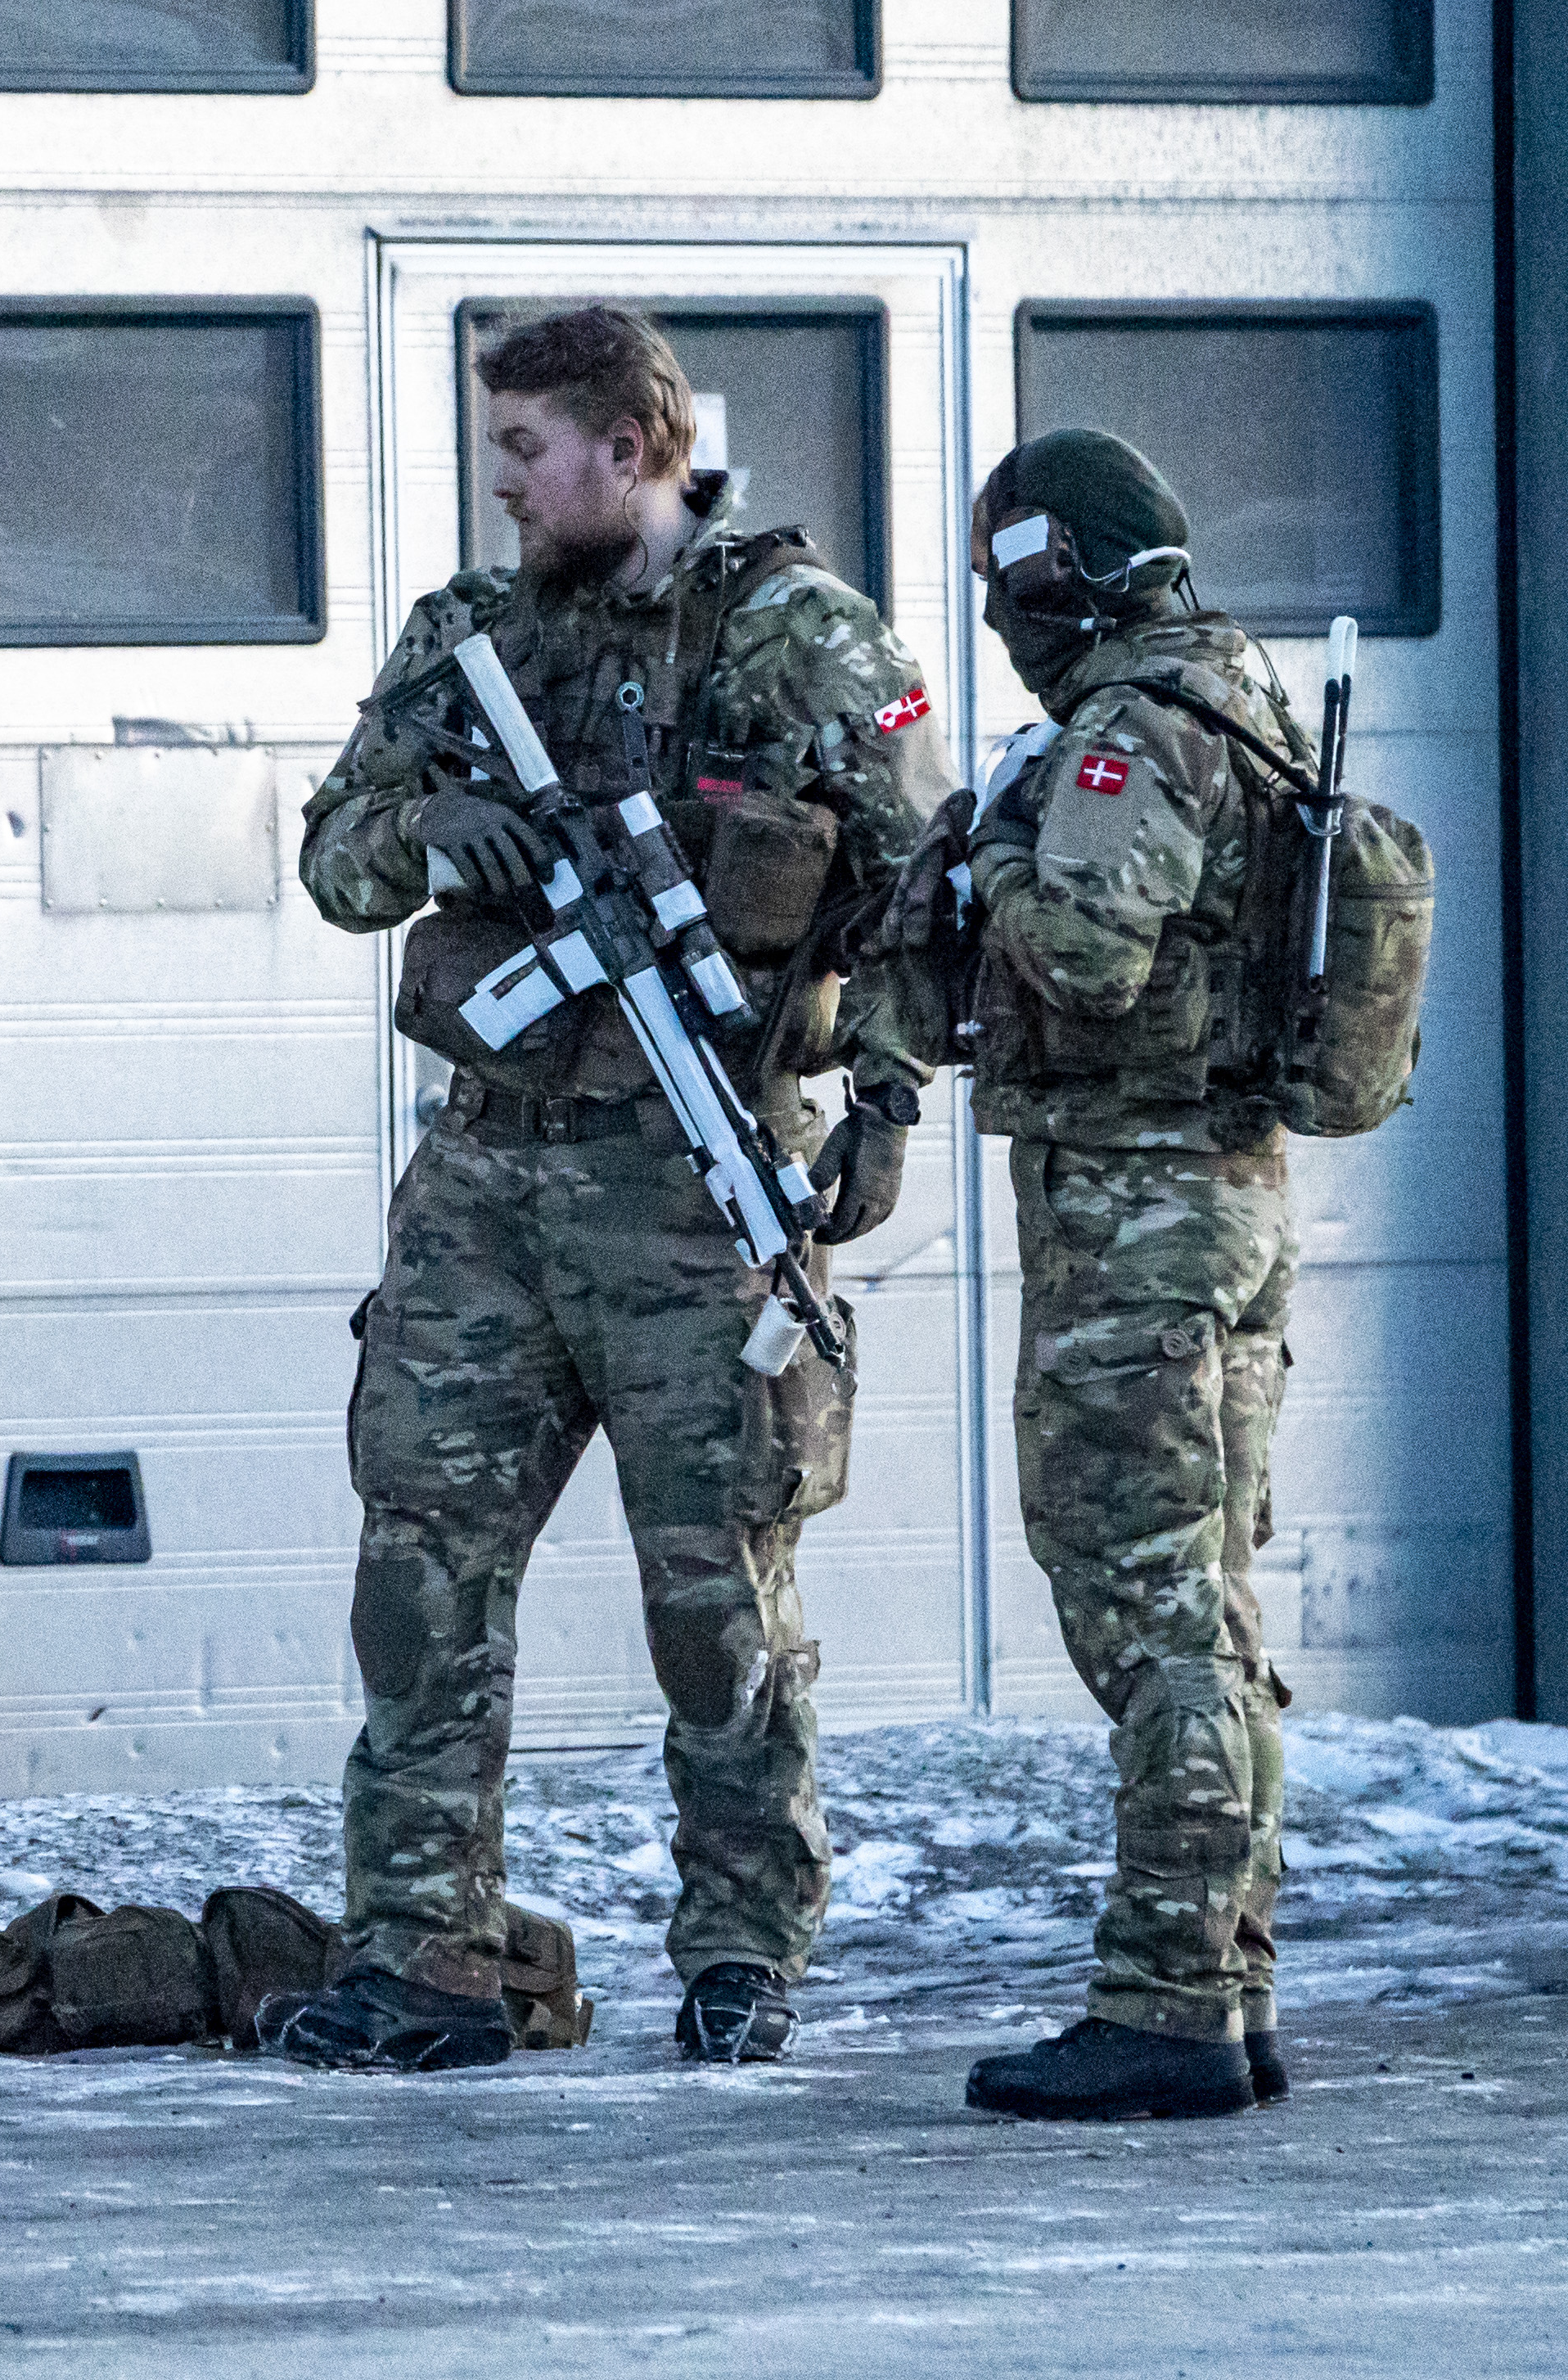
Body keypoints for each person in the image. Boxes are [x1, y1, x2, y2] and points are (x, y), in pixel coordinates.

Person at [280, 305, 944, 2074]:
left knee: (717, 1594)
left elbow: (920, 887)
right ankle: (423, 1955)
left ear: (632, 445)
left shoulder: (797, 638)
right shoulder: (469, 637)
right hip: (489, 1178)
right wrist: (430, 832)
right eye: (496, 448)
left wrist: (882, 1099)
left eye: (527, 449)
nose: (503, 484)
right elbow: (334, 852)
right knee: (420, 1575)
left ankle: (742, 1950)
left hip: (689, 1189)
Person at [860, 431, 1307, 2121]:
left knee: (1146, 1605)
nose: (1002, 622)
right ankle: (1225, 1979)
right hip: (1221, 1201)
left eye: (1015, 588)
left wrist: (983, 856)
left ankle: (1170, 1998)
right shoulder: (1235, 692)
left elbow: (1092, 956)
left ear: (1072, 577)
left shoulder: (1134, 735)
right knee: (1208, 1599)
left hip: (1138, 1216)